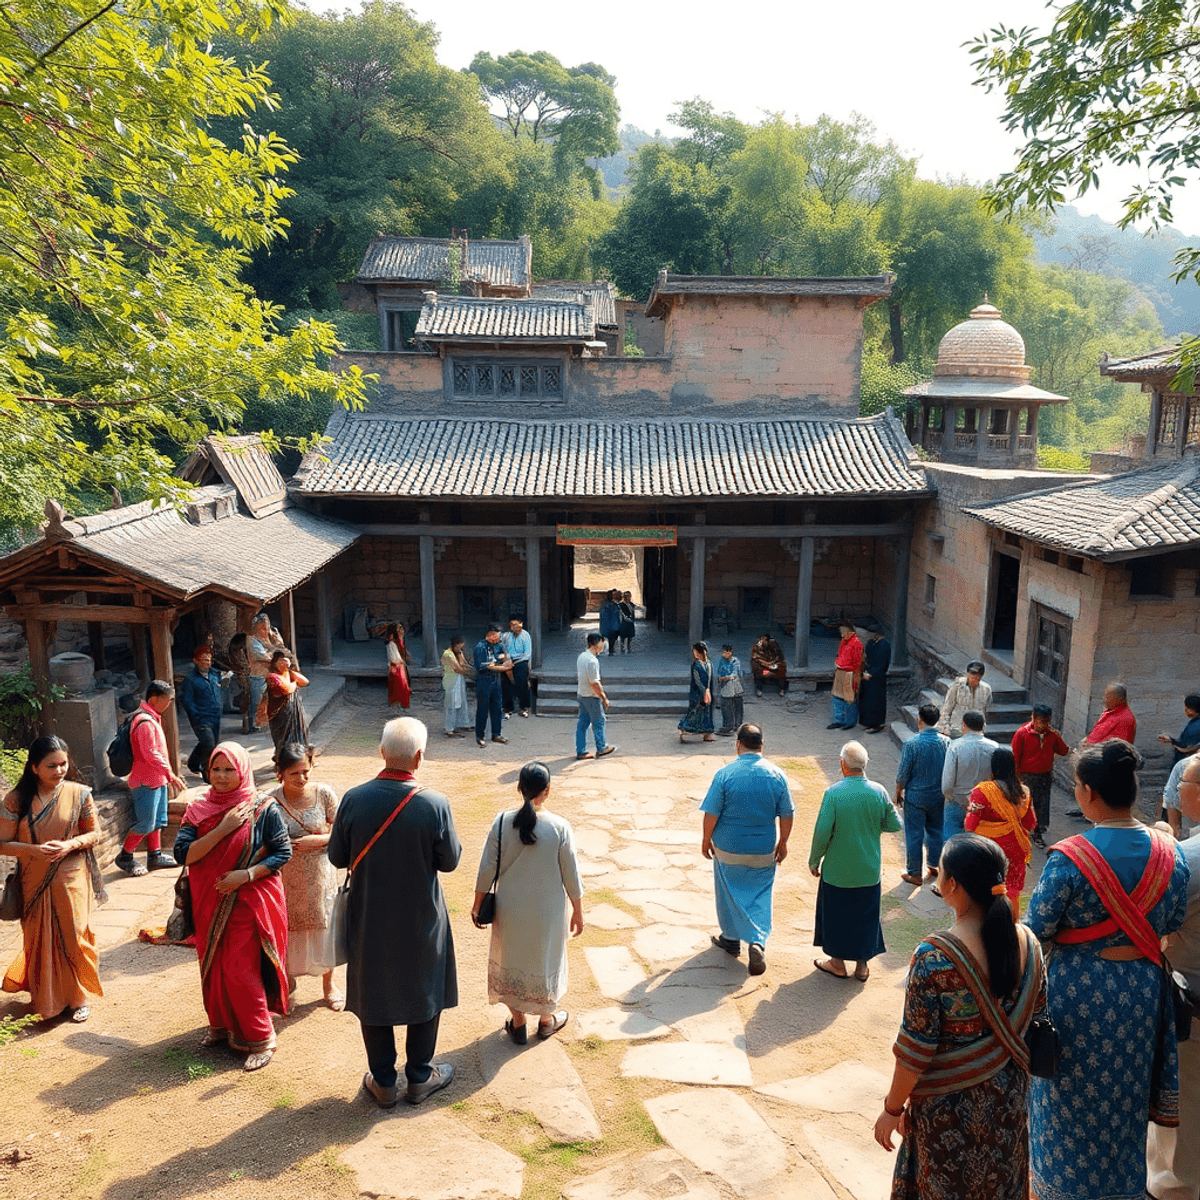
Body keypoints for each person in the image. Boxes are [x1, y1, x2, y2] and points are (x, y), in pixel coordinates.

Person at [1025, 739, 1189, 1200]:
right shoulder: (1169, 852)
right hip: (1141, 995)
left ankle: (1058, 1187)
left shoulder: (1070, 857)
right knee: (1125, 1100)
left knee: (1066, 1100)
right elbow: (1173, 918)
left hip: (1078, 995)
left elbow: (1036, 929)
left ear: (1089, 792)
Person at [874, 833, 1046, 1200]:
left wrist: (892, 1108)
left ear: (952, 885)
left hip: (947, 1115)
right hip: (1009, 1105)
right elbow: (1038, 1017)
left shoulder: (933, 958)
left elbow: (914, 1051)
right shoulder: (1030, 945)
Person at [327, 717, 461, 1108]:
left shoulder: (354, 799)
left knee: (374, 989)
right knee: (425, 986)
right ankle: (419, 1076)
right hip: (422, 917)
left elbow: (337, 856)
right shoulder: (435, 804)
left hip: (369, 915)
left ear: (382, 752)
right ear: (419, 757)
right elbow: (449, 861)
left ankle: (384, 1081)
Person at [173, 742, 292, 1071]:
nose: (222, 776)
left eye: (229, 770)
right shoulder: (198, 808)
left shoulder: (263, 808)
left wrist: (246, 875)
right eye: (216, 769)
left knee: (239, 969)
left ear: (243, 771)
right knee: (213, 964)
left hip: (249, 901)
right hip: (208, 900)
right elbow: (184, 854)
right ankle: (222, 1025)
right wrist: (223, 829)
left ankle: (261, 1038)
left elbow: (282, 853)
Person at [471, 761, 583, 1043]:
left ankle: (518, 1020)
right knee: (546, 960)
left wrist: (477, 903)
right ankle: (546, 1020)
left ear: (518, 788)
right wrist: (578, 911)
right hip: (549, 911)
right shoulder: (560, 827)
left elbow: (486, 868)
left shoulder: (501, 822)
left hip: (510, 908)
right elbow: (571, 874)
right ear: (548, 790)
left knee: (511, 959)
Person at [0, 736, 106, 1022]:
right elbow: (2, 843)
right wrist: (34, 851)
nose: (60, 770)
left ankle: (78, 998)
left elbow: (94, 833)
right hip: (33, 877)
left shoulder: (79, 794)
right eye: (51, 766)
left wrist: (69, 845)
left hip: (72, 875)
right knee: (39, 938)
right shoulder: (16, 800)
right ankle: (46, 1001)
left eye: (63, 764)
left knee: (74, 934)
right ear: (34, 767)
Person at [700, 723, 794, 976]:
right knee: (761, 893)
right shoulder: (777, 775)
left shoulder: (725, 774)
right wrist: (783, 842)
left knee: (728, 890)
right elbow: (787, 813)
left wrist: (706, 839)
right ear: (762, 745)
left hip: (728, 847)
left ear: (738, 744)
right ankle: (757, 941)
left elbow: (712, 812)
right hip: (763, 848)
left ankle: (731, 939)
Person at [1148, 754, 1200, 1200]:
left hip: (1192, 1001)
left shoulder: (1189, 859)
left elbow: (1149, 920)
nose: (1177, 790)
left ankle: (1175, 1188)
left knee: (1185, 1103)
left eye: (1182, 782)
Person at [809, 740, 902, 982]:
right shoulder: (878, 791)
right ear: (865, 764)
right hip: (868, 869)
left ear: (842, 764)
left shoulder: (833, 793)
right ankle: (862, 966)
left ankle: (837, 963)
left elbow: (822, 833)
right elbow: (895, 824)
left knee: (836, 917)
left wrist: (814, 860)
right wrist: (872, 825)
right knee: (865, 918)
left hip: (837, 871)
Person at [270, 743, 343, 1012]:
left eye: (305, 771)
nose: (301, 778)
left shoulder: (324, 794)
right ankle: (287, 983)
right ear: (280, 773)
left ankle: (329, 985)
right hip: (285, 878)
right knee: (287, 929)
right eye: (294, 773)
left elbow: (344, 830)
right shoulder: (269, 801)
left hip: (320, 876)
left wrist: (320, 840)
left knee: (325, 928)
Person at [116, 679, 185, 876]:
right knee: (146, 823)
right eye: (167, 700)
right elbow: (150, 754)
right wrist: (171, 774)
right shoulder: (144, 722)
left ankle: (155, 855)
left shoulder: (152, 718)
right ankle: (125, 856)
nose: (169, 704)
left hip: (157, 779)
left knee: (158, 820)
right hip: (145, 781)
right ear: (154, 699)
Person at [964, 747, 1036, 907]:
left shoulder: (982, 791)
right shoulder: (1024, 792)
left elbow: (970, 825)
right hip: (1016, 849)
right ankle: (1011, 919)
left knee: (986, 889)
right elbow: (1030, 824)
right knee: (1012, 890)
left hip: (988, 849)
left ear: (993, 768)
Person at [895, 704, 949, 886]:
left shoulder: (911, 744)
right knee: (936, 831)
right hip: (938, 795)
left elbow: (903, 774)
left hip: (916, 797)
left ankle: (915, 873)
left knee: (914, 834)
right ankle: (934, 865)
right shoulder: (946, 742)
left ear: (920, 719)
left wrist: (898, 791)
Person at [1010, 702, 1070, 848]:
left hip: (1045, 776)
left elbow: (1063, 751)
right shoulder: (1022, 733)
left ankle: (1037, 831)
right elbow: (1016, 757)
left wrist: (1057, 737)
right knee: (1026, 805)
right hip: (1026, 776)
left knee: (1041, 805)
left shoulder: (1052, 735)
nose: (1044, 725)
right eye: (1042, 722)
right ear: (1034, 719)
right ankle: (1024, 831)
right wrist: (1016, 778)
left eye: (1047, 722)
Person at [940, 712, 998, 840]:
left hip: (957, 799)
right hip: (983, 802)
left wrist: (950, 796)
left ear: (964, 725)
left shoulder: (955, 746)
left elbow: (947, 783)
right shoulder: (994, 747)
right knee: (978, 841)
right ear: (983, 726)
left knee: (951, 840)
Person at [180, 644, 223, 780]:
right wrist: (196, 715)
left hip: (215, 715)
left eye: (209, 660)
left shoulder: (215, 675)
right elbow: (187, 701)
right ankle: (207, 772)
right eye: (204, 660)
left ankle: (193, 763)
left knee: (211, 742)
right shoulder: (190, 679)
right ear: (196, 661)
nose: (207, 663)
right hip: (201, 717)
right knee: (209, 744)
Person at [576, 632, 615, 760]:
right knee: (599, 721)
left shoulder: (582, 656)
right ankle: (601, 747)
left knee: (582, 724)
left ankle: (581, 750)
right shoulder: (592, 661)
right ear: (596, 645)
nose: (603, 645)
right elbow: (594, 683)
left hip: (582, 694)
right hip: (591, 696)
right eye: (601, 643)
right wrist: (604, 698)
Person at [247, 612, 289, 730]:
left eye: (267, 628)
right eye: (262, 628)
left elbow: (281, 649)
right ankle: (254, 725)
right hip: (259, 675)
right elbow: (262, 655)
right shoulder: (252, 639)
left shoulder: (273, 633)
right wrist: (273, 654)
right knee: (257, 702)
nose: (265, 631)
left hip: (274, 673)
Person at [264, 650, 309, 753]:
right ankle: (282, 757)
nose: (283, 663)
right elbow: (286, 689)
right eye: (280, 661)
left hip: (292, 710)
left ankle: (299, 755)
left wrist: (290, 672)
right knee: (282, 738)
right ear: (275, 663)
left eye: (285, 661)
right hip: (279, 714)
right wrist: (294, 684)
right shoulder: (272, 677)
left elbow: (305, 681)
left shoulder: (288, 674)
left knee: (298, 734)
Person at [472, 625, 509, 748]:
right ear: (491, 635)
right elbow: (481, 666)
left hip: (496, 680)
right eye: (497, 636)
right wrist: (500, 666)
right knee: (483, 709)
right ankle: (480, 736)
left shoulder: (499, 645)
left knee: (497, 708)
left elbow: (504, 656)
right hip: (484, 680)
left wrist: (503, 659)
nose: (499, 638)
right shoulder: (480, 647)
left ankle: (496, 734)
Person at [936, 662, 991, 737]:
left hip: (975, 732)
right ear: (967, 675)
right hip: (957, 730)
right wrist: (945, 728)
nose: (973, 680)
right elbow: (947, 708)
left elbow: (984, 710)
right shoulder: (957, 686)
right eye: (971, 678)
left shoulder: (986, 689)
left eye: (976, 679)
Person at [678, 641, 716, 743]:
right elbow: (697, 681)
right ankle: (684, 729)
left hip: (708, 692)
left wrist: (709, 691)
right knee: (695, 713)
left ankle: (707, 734)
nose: (695, 654)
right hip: (698, 693)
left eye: (696, 652)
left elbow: (710, 679)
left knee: (707, 713)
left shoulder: (709, 664)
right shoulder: (696, 665)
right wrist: (704, 692)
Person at [828, 623, 864, 730]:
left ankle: (850, 722)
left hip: (850, 673)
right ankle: (839, 720)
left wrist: (855, 677)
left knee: (849, 698)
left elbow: (857, 662)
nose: (842, 633)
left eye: (843, 630)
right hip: (840, 671)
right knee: (837, 696)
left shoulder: (857, 643)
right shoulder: (843, 641)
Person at [859, 629, 892, 733]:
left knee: (876, 701)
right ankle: (867, 722)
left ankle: (877, 724)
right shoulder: (871, 643)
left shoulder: (884, 645)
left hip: (877, 677)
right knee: (867, 700)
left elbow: (882, 664)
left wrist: (871, 674)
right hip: (868, 673)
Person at [500, 615, 532, 718]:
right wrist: (507, 659)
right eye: (511, 624)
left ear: (521, 624)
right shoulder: (506, 636)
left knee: (522, 681)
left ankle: (524, 707)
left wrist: (515, 661)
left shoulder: (525, 636)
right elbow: (504, 649)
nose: (513, 627)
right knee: (505, 683)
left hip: (521, 661)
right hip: (509, 660)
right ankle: (507, 708)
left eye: (515, 624)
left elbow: (527, 655)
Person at [441, 635, 472, 738]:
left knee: (462, 701)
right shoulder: (447, 654)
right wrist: (470, 673)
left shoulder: (459, 652)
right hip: (451, 679)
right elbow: (457, 668)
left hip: (459, 679)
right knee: (451, 703)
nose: (460, 649)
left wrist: (469, 668)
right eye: (459, 647)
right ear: (455, 645)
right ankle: (449, 729)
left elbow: (464, 664)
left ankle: (462, 723)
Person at [1163, 752, 1198, 839]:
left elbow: (1170, 800)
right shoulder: (1184, 766)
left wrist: (1174, 835)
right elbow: (1170, 800)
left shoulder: (1185, 765)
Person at [1160, 693, 1200, 765]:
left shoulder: (1196, 726)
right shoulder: (1194, 722)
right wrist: (1171, 740)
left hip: (1189, 762)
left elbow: (1187, 747)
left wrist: (1174, 743)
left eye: (1189, 708)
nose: (1186, 710)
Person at [714, 643, 745, 737]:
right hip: (727, 685)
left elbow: (739, 673)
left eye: (726, 652)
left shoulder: (736, 661)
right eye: (723, 652)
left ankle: (735, 725)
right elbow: (719, 676)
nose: (724, 654)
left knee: (736, 706)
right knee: (727, 706)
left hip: (736, 685)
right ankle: (729, 726)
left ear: (730, 652)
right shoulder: (722, 661)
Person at [751, 633, 788, 699]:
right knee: (757, 670)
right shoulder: (757, 646)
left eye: (764, 640)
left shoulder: (774, 644)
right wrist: (766, 664)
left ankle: (782, 689)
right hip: (763, 667)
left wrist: (773, 664)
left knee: (781, 669)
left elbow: (780, 657)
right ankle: (759, 689)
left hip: (773, 665)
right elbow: (755, 658)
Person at [384, 623, 411, 710]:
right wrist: (401, 661)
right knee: (398, 687)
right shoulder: (391, 644)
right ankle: (396, 706)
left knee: (403, 687)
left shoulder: (399, 642)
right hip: (396, 667)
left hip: (401, 666)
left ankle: (401, 705)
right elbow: (393, 658)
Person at [598, 589, 622, 656]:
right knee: (611, 638)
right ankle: (610, 650)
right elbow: (617, 614)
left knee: (604, 637)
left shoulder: (603, 604)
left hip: (606, 625)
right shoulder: (614, 605)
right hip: (612, 625)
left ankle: (602, 649)